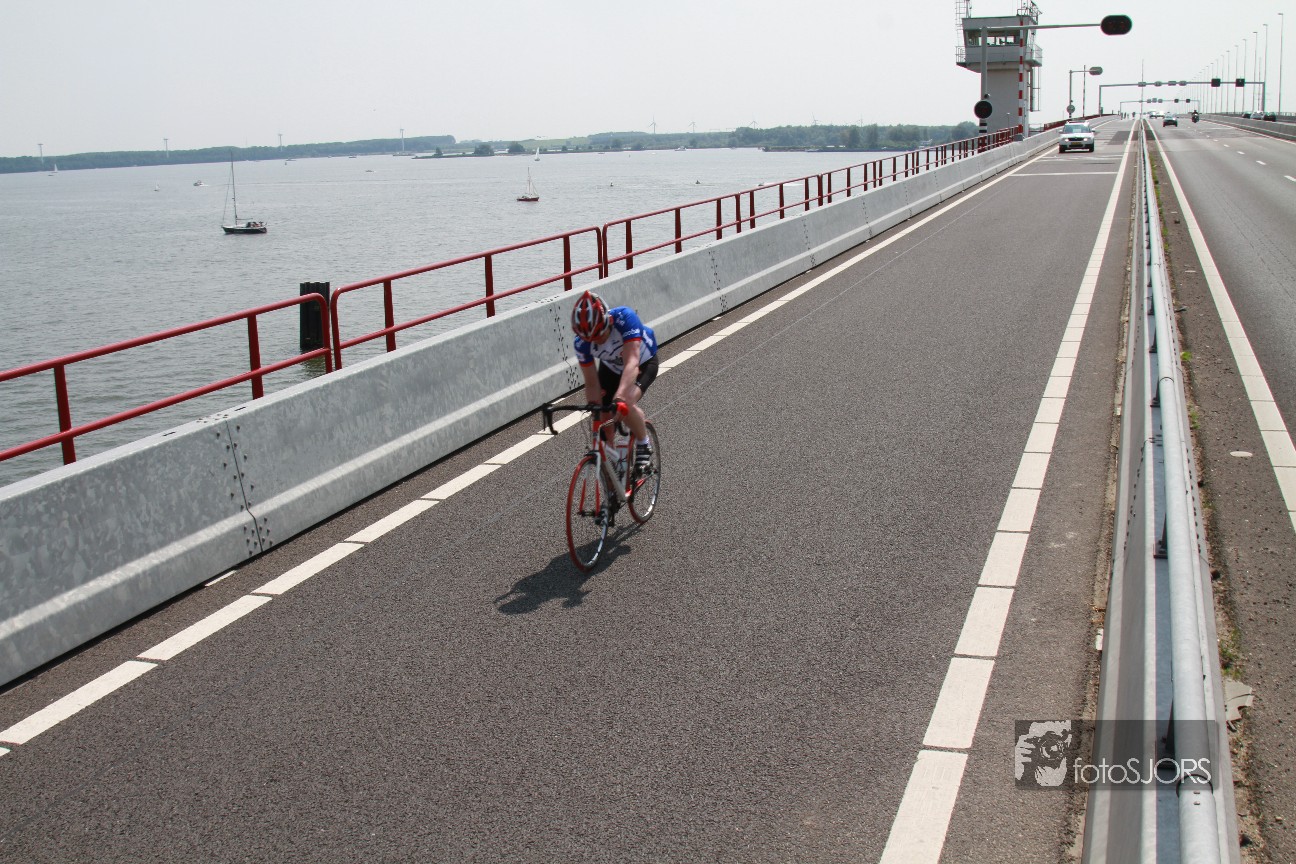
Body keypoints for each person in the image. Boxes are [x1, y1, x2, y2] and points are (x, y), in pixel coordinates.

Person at [570, 290, 658, 472]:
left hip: (642, 363)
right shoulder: (581, 343)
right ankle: (613, 471)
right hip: (612, 367)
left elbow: (632, 363)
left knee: (625, 403)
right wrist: (595, 407)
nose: (596, 341)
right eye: (590, 339)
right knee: (602, 416)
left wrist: (619, 398)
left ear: (607, 321)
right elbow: (591, 382)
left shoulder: (625, 319)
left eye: (599, 335)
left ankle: (643, 444)